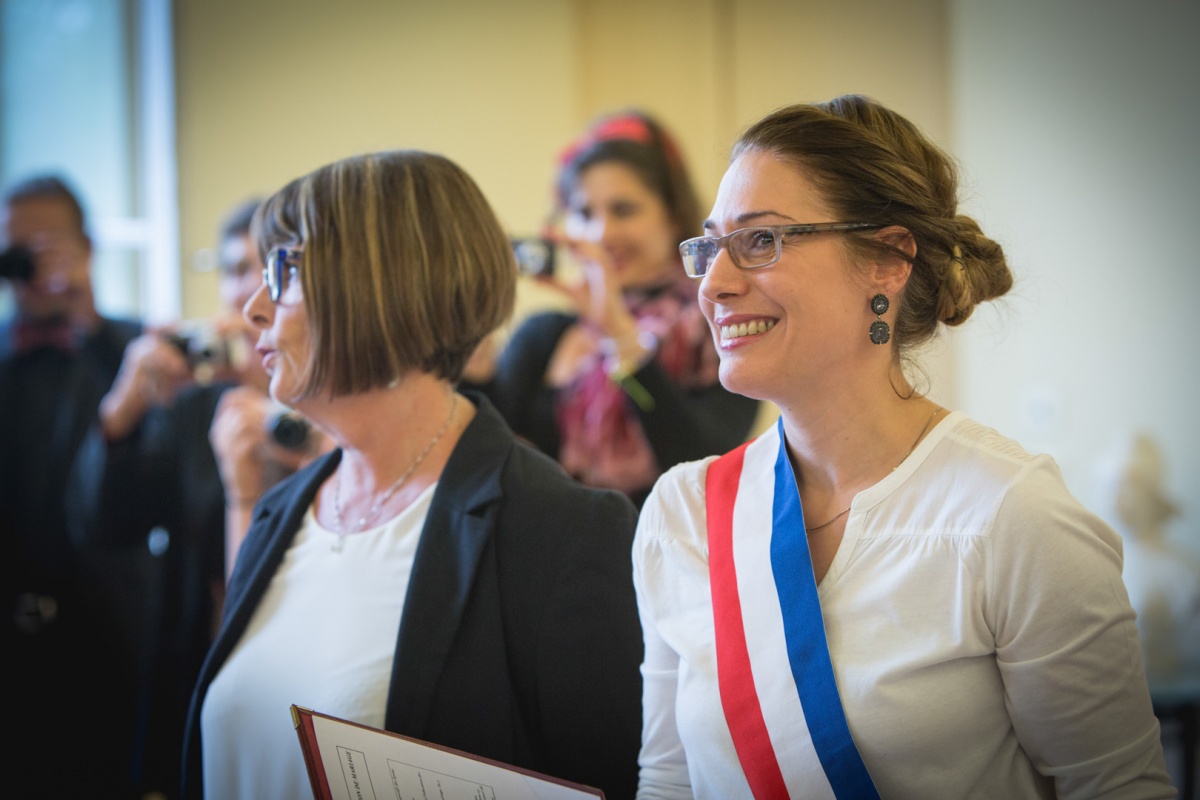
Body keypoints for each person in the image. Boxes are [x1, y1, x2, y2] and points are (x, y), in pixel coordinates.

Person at [632, 95, 1175, 799]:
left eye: (761, 241)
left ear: (887, 260)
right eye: (710, 246)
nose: (714, 283)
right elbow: (669, 781)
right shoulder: (683, 514)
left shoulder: (1009, 518)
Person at [180, 150, 644, 799]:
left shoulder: (558, 531)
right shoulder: (280, 510)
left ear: (384, 290)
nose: (254, 307)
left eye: (283, 271)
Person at [69, 197, 330, 797]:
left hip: (311, 680)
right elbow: (101, 527)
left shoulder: (331, 405)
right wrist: (122, 414)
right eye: (237, 271)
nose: (251, 294)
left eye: (272, 271)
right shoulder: (193, 409)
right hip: (202, 666)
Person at [467, 110, 760, 508]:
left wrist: (620, 334)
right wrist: (470, 333)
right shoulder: (546, 335)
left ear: (673, 216)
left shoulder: (721, 321)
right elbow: (480, 455)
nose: (601, 233)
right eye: (585, 214)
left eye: (623, 210)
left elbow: (701, 461)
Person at [0, 174, 146, 796]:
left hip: (110, 636)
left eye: (46, 244)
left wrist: (88, 320)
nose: (29, 262)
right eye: (15, 246)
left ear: (85, 247)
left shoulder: (132, 350)